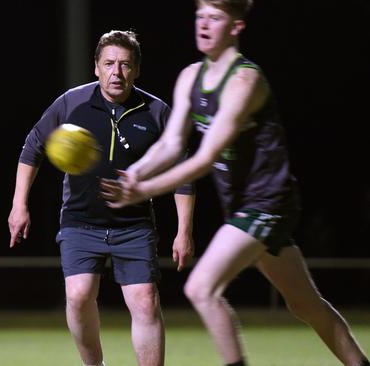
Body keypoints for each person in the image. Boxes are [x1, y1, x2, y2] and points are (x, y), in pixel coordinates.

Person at [100, 1, 369, 366]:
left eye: (215, 17)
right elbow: (172, 143)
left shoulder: (245, 80)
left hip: (268, 203)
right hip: (245, 209)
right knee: (305, 305)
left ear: (236, 27)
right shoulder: (190, 77)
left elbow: (205, 156)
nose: (204, 24)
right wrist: (136, 173)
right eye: (199, 16)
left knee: (201, 288)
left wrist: (144, 190)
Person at [8, 30, 196, 366]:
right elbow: (33, 146)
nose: (116, 72)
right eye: (109, 64)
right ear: (96, 67)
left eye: (125, 65)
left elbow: (183, 171)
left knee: (145, 300)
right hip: (81, 222)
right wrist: (19, 204)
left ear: (137, 70)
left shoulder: (156, 112)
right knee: (78, 297)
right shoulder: (71, 103)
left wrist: (184, 230)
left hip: (134, 225)